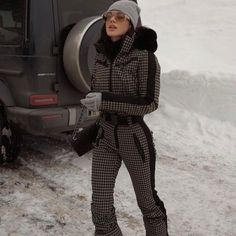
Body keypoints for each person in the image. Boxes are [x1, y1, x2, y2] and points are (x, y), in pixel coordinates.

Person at [81, 0, 169, 235]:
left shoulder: (144, 57)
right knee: (100, 207)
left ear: (130, 24)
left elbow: (149, 102)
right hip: (105, 136)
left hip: (133, 137)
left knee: (148, 203)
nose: (112, 20)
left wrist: (104, 100)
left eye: (120, 17)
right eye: (109, 16)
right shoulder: (100, 55)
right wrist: (92, 104)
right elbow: (96, 91)